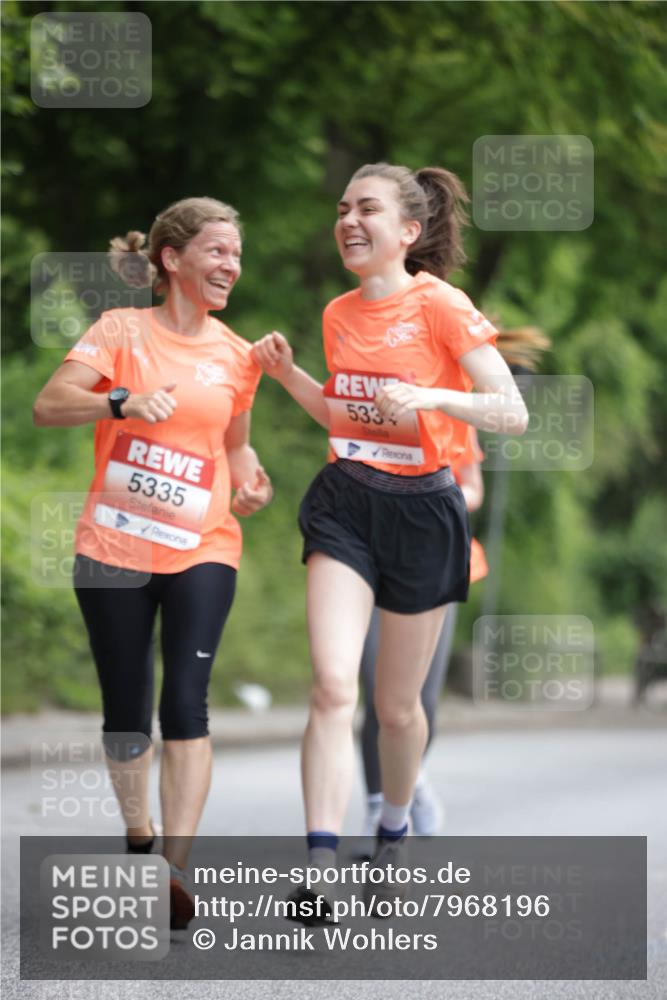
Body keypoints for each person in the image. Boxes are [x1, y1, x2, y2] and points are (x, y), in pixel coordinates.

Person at [253, 162, 528, 920]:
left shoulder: (440, 305)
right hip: (346, 503)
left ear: (406, 231)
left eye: (364, 208)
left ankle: (394, 834)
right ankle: (318, 863)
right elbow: (348, 421)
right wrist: (287, 376)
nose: (347, 219)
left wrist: (432, 395)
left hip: (423, 513)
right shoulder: (338, 313)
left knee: (397, 709)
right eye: (341, 207)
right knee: (332, 686)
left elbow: (510, 412)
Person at [33, 197, 272, 929]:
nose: (230, 264)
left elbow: (234, 445)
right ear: (172, 259)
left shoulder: (237, 355)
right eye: (216, 251)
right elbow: (51, 404)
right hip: (113, 546)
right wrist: (122, 403)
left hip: (202, 545)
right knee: (128, 710)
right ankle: (139, 841)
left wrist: (251, 479)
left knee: (186, 700)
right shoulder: (119, 332)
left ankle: (174, 867)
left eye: (235, 253)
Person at [359, 426, 487, 840]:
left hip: (434, 556)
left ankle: (411, 781)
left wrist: (427, 496)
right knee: (378, 691)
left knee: (422, 698)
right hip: (371, 557)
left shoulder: (454, 412)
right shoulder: (368, 405)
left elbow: (473, 489)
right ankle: (379, 808)